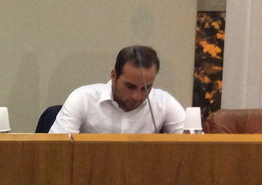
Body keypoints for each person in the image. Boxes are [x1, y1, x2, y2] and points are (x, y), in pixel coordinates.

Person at [49, 45, 186, 134]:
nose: (137, 96)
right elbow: (57, 150)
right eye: (130, 86)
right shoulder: (82, 99)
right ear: (114, 76)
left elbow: (192, 149)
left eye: (146, 87)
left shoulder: (164, 103)